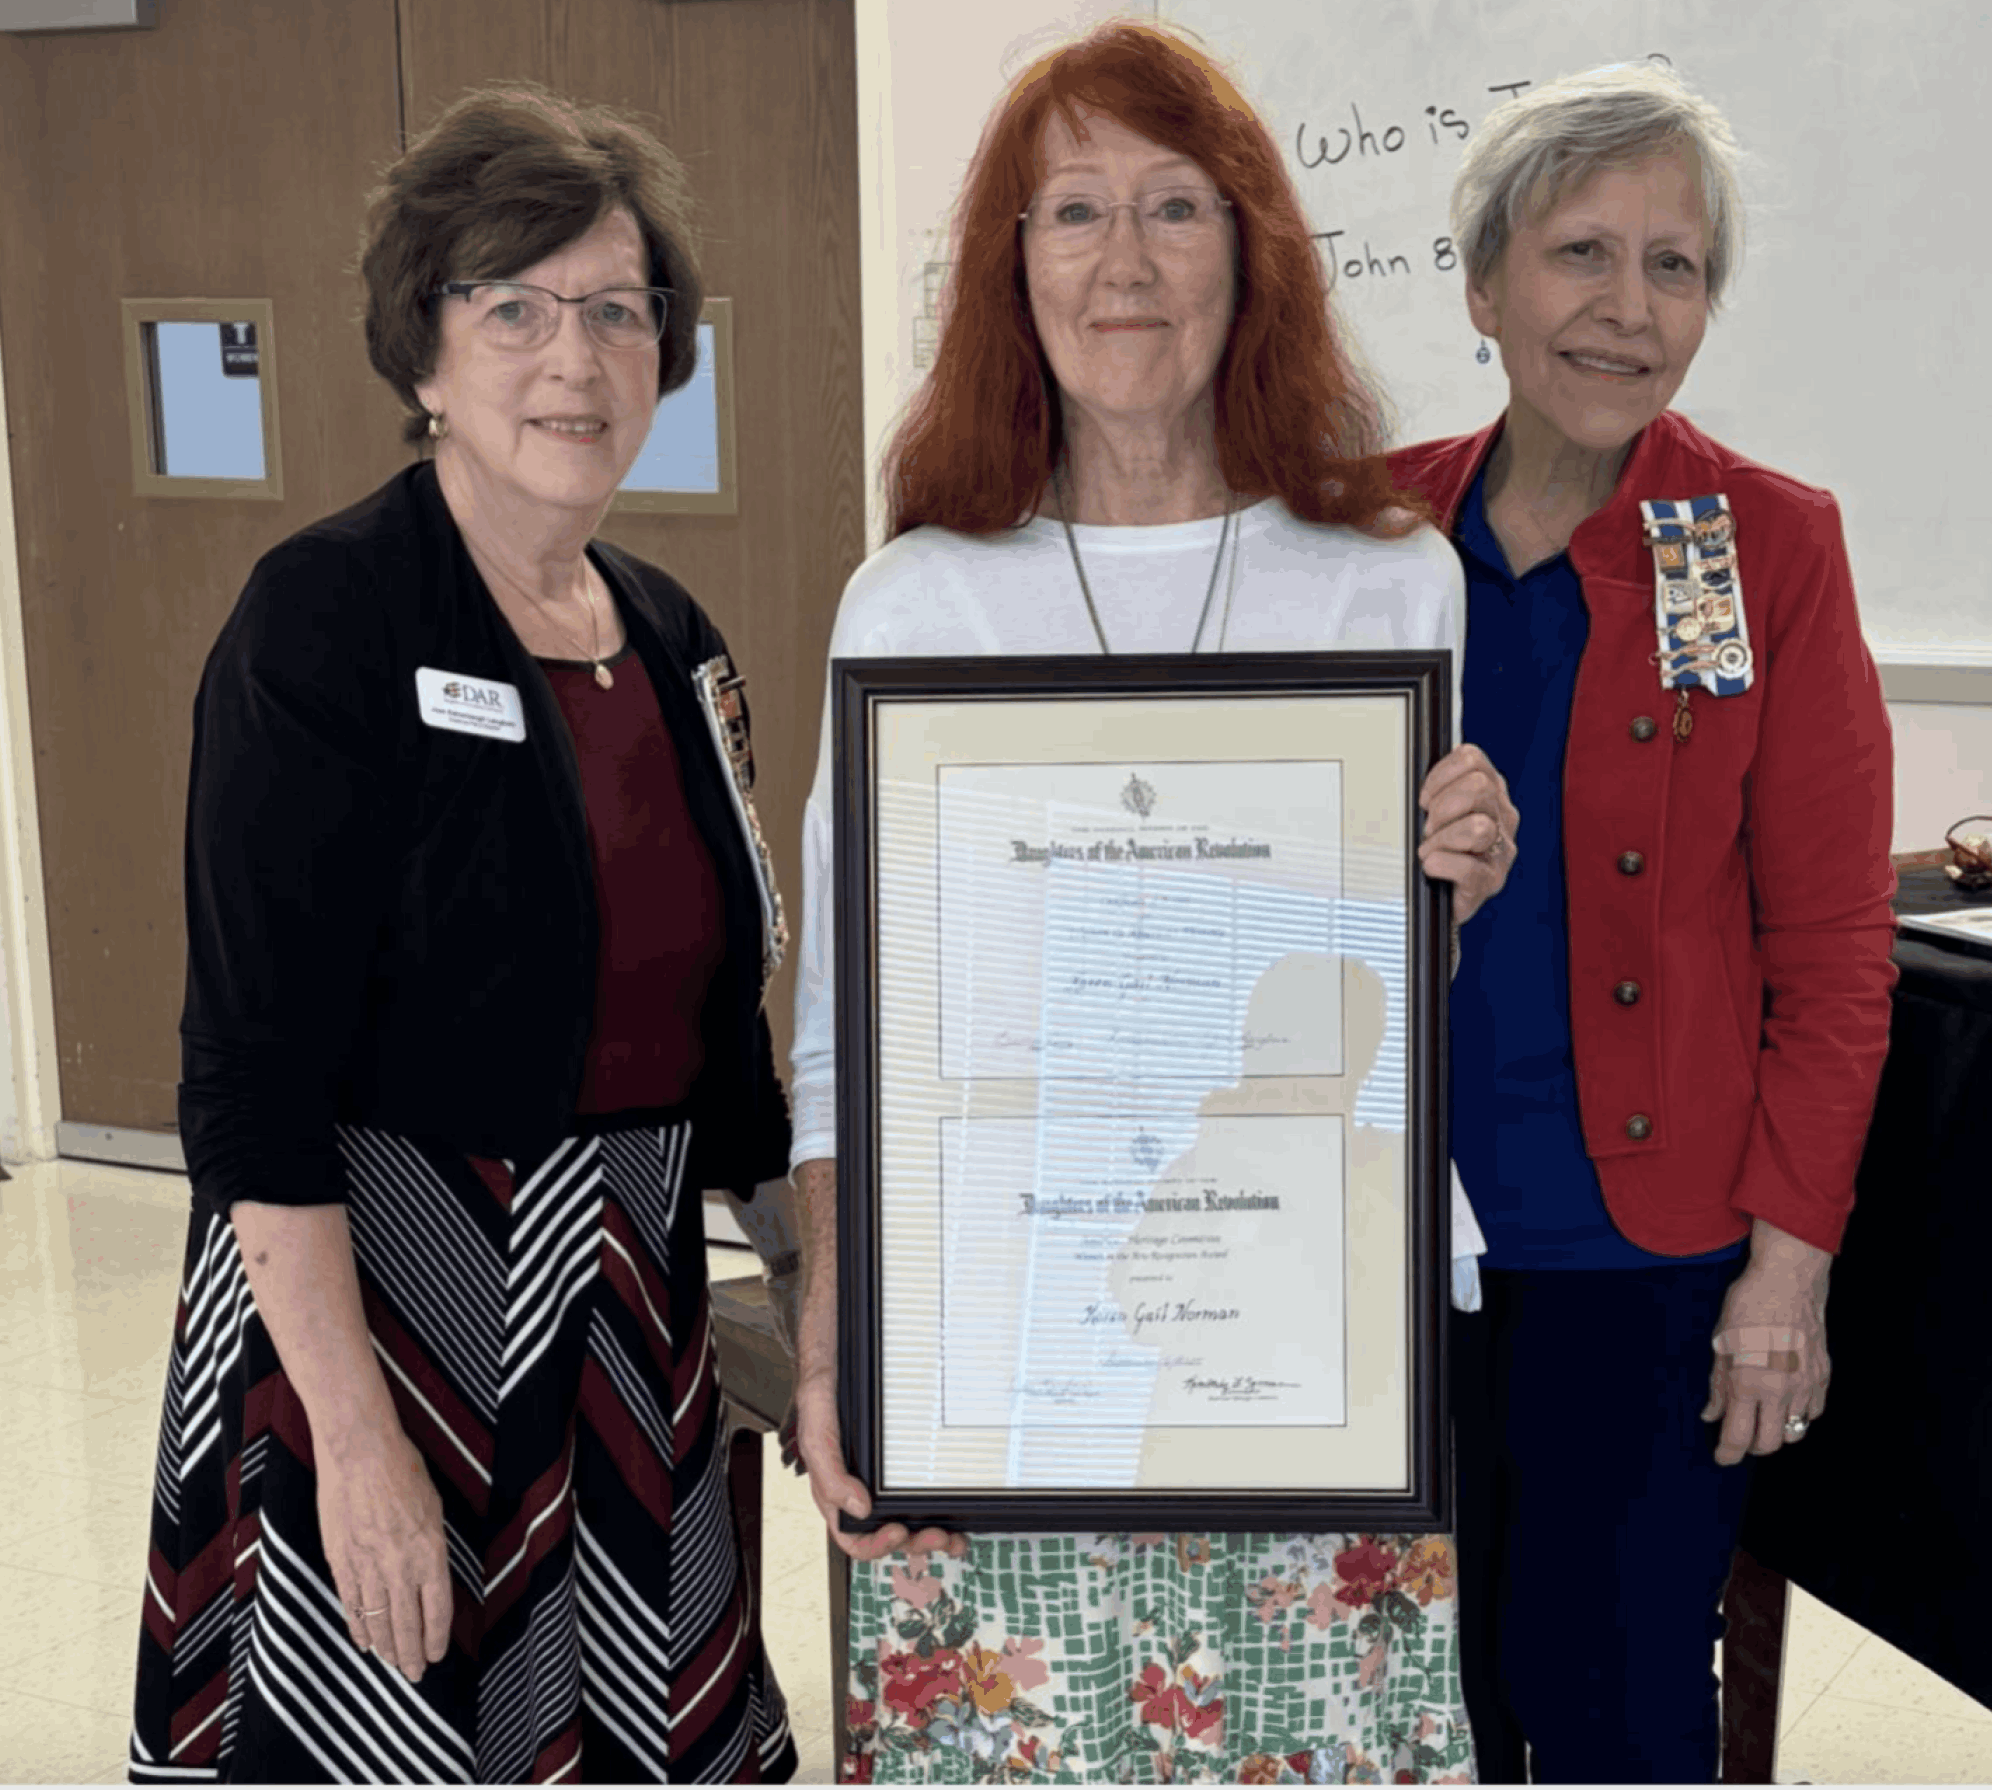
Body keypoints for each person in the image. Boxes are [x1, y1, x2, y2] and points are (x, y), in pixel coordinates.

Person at [788, 24, 1520, 1784]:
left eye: (1177, 207)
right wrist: (833, 1333)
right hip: (1001, 1340)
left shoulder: (1387, 581)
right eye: (1074, 211)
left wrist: (1458, 887)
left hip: (1305, 1325)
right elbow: (846, 1032)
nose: (1125, 262)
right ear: (1010, 270)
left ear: (1249, 250)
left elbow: (1371, 983)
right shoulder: (913, 606)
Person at [129, 83, 797, 1784]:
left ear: (666, 348)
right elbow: (250, 1080)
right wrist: (353, 1447)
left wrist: (823, 1295)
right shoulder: (327, 618)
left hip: (628, 1315)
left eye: (617, 309)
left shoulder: (670, 637)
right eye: (511, 306)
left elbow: (726, 1051)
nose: (571, 356)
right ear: (423, 353)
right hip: (378, 1307)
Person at [1388, 64, 1898, 1785]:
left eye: (1673, 267)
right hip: (1386, 1240)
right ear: (1481, 284)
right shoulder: (1365, 525)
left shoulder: (1762, 547)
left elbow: (1834, 951)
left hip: (1650, 1249)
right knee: (1417, 1703)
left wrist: (1791, 1267)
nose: (1627, 308)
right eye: (1579, 254)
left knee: (1614, 1712)